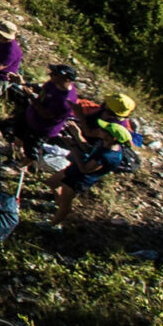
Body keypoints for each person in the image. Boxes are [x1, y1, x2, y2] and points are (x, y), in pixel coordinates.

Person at [49, 95, 141, 228]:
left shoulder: (108, 156)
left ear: (112, 138)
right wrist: (77, 137)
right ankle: (56, 205)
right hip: (74, 170)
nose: (101, 131)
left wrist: (74, 148)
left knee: (66, 204)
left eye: (105, 131)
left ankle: (54, 225)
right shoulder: (105, 144)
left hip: (79, 179)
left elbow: (85, 169)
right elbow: (88, 150)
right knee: (52, 182)